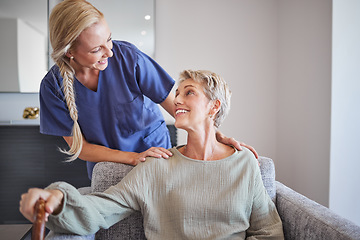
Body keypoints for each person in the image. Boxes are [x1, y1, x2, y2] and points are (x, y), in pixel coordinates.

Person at [20, 70, 283, 239]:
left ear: (213, 106)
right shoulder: (158, 165)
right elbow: (103, 207)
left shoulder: (244, 163)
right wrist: (57, 198)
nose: (177, 100)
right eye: (177, 93)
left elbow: (268, 229)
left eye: (188, 93)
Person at [41, 0, 257, 180]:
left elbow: (176, 105)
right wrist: (132, 158)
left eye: (109, 39)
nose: (110, 53)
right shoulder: (52, 87)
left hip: (157, 155)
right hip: (110, 167)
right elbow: (81, 148)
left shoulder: (128, 57)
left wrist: (216, 137)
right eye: (97, 49)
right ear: (70, 52)